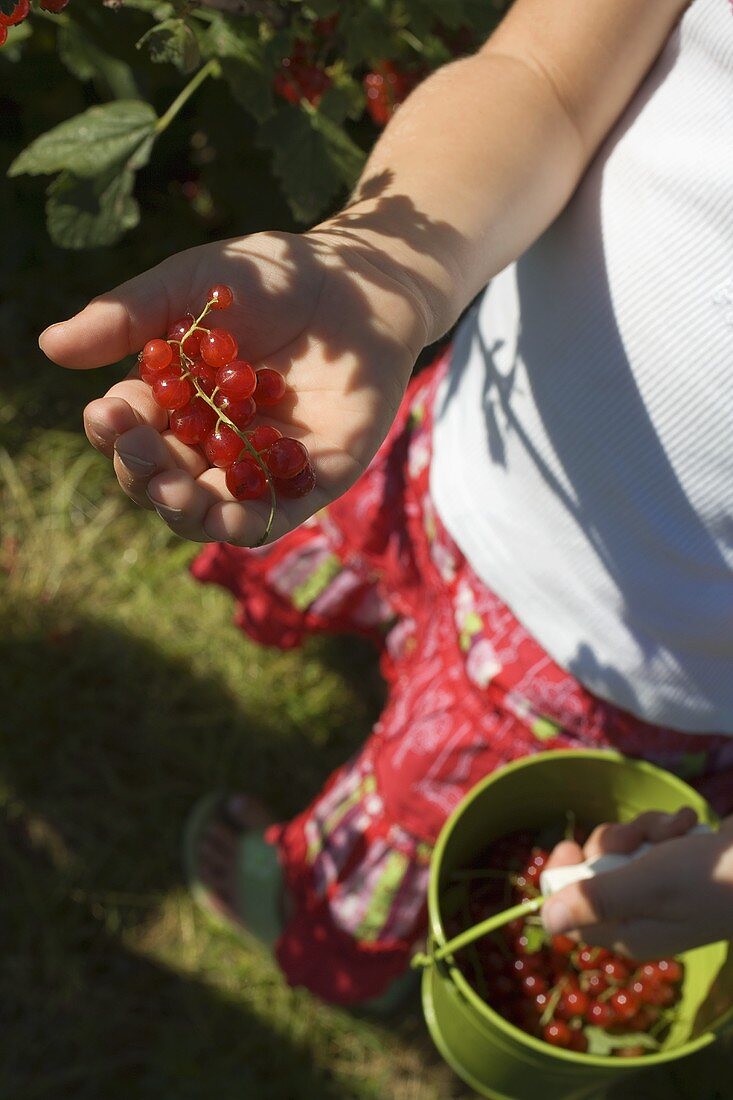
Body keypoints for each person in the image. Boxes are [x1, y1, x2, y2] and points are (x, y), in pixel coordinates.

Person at [40, 0, 733, 1009]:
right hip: (472, 448)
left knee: (416, 829)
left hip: (633, 674)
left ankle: (308, 904)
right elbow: (545, 71)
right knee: (385, 589)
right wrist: (383, 266)